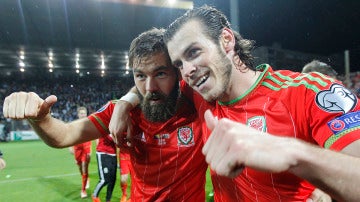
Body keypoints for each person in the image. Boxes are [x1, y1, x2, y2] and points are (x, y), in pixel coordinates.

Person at [110, 5, 360, 202]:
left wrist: (291, 153)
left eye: (194, 52)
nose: (187, 71)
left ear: (226, 40)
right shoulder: (199, 94)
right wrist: (125, 102)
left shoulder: (309, 92)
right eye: (179, 64)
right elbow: (151, 82)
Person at [2, 28, 207, 201]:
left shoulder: (200, 104)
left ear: (177, 71)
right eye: (140, 76)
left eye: (160, 73)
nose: (150, 86)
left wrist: (127, 99)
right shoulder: (122, 111)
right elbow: (64, 135)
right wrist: (40, 118)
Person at [69, 106, 92, 198]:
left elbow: (93, 136)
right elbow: (70, 137)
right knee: (80, 168)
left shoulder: (90, 124)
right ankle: (86, 178)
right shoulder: (74, 125)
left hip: (86, 148)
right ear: (78, 115)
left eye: (84, 113)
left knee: (84, 167)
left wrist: (90, 150)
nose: (83, 115)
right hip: (77, 149)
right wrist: (70, 147)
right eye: (81, 113)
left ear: (86, 114)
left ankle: (83, 191)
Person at [92, 135, 117, 202]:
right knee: (104, 179)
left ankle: (108, 199)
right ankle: (95, 196)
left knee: (113, 179)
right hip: (103, 153)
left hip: (113, 154)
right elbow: (112, 138)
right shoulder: (106, 126)